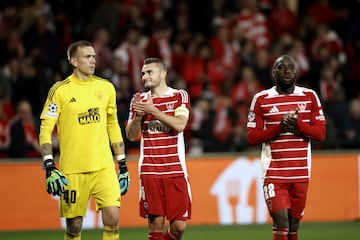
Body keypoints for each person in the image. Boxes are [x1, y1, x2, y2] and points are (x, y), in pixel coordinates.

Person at [38, 40, 130, 240]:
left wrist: (122, 163)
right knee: (74, 226)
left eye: (94, 56)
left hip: (104, 166)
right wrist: (49, 165)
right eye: (87, 57)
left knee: (113, 218)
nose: (93, 60)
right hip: (73, 169)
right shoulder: (60, 91)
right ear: (73, 61)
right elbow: (46, 130)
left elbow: (113, 125)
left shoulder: (106, 88)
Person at [246, 55, 326, 240]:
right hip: (274, 172)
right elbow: (252, 137)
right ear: (274, 72)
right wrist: (279, 127)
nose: (288, 70)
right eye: (282, 67)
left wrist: (298, 125)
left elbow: (320, 135)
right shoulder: (261, 99)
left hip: (300, 172)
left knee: (293, 225)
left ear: (297, 72)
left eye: (291, 67)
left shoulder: (309, 96)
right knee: (281, 221)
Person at [125, 58, 191, 240]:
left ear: (163, 73)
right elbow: (130, 135)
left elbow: (180, 125)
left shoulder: (179, 96)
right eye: (143, 73)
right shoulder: (139, 100)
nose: (144, 76)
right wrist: (138, 117)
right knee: (156, 226)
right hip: (150, 170)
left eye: (149, 72)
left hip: (175, 169)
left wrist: (153, 111)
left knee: (178, 227)